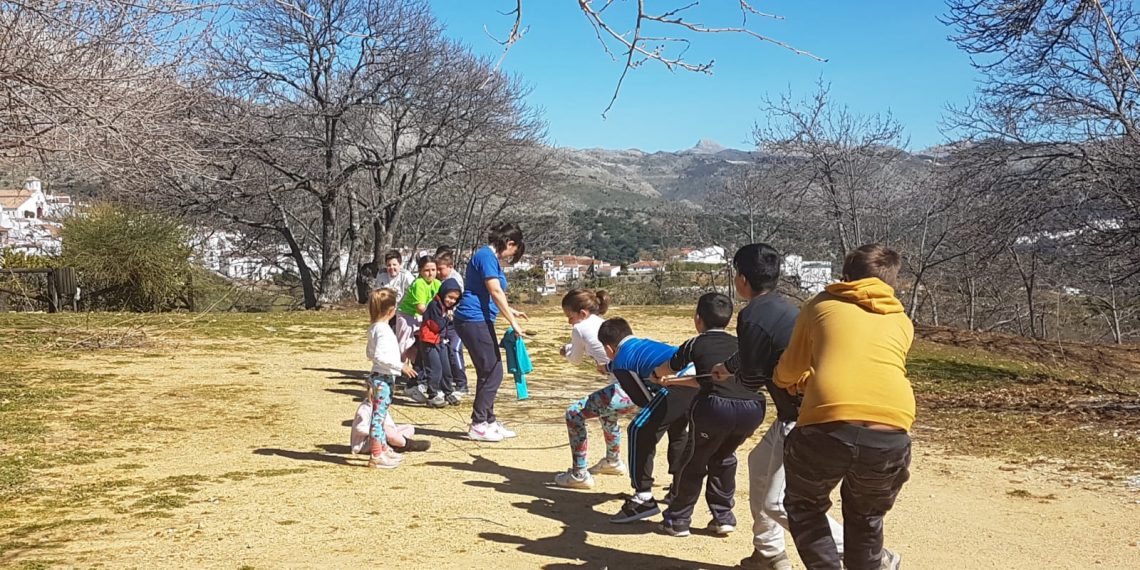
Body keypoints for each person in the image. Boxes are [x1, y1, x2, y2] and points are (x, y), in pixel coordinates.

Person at [775, 244, 913, 570]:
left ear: (846, 277)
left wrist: (790, 380)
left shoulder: (820, 304)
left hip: (828, 422)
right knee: (866, 515)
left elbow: (790, 370)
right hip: (892, 426)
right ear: (891, 281)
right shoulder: (902, 320)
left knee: (804, 506)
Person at [710, 244, 845, 570]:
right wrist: (728, 366)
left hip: (803, 417)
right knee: (758, 464)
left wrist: (727, 379)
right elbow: (756, 352)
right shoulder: (785, 309)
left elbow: (752, 380)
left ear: (742, 279)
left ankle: (869, 554)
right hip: (795, 411)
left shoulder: (751, 316)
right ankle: (768, 552)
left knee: (780, 503)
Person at [653, 292, 765, 538]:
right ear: (729, 319)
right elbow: (708, 379)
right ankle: (723, 517)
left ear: (698, 319)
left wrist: (658, 376)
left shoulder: (695, 344)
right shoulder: (741, 344)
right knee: (724, 456)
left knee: (694, 459)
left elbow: (666, 368)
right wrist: (677, 382)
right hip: (752, 408)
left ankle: (678, 519)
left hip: (715, 409)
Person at [599, 318, 691, 524]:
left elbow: (642, 399)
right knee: (678, 432)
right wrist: (607, 367)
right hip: (695, 379)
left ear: (609, 348)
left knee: (639, 429)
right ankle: (678, 489)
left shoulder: (621, 362)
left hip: (677, 385)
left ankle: (643, 497)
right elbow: (626, 361)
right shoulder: (642, 344)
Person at [551, 290, 636, 489]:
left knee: (574, 414)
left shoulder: (579, 328)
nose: (569, 322)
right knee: (607, 413)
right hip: (639, 387)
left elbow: (575, 359)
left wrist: (566, 350)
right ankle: (613, 461)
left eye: (570, 317)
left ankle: (579, 474)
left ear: (582, 313)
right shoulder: (601, 323)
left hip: (624, 389)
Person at [454, 222, 528, 442]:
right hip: (473, 319)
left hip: (479, 318)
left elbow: (489, 294)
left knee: (488, 371)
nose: (510, 257)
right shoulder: (486, 256)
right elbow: (494, 290)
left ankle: (489, 420)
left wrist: (511, 310)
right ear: (509, 243)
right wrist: (512, 322)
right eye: (513, 252)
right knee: (493, 371)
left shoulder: (489, 258)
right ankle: (478, 424)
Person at [364, 288, 407, 469]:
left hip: (383, 376)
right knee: (378, 417)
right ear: (391, 309)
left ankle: (383, 448)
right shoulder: (382, 330)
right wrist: (400, 366)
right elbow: (378, 356)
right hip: (382, 378)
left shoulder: (376, 328)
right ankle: (376, 454)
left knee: (381, 417)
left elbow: (369, 353)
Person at [399, 255, 440, 403]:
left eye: (433, 270)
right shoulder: (419, 284)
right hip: (407, 316)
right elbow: (421, 307)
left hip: (422, 318)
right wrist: (437, 318)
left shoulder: (437, 283)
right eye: (426, 270)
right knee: (403, 348)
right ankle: (390, 375)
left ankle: (415, 382)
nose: (430, 273)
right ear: (420, 271)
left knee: (420, 350)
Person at [417, 278, 463, 408]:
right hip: (429, 341)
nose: (451, 301)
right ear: (443, 293)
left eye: (455, 299)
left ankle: (448, 392)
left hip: (441, 341)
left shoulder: (447, 308)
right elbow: (436, 326)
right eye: (450, 297)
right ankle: (433, 394)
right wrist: (447, 318)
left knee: (446, 368)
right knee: (435, 368)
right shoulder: (434, 305)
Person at [435, 248, 468, 394]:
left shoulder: (455, 280)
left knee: (454, 349)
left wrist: (450, 308)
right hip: (444, 321)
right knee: (444, 349)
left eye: (440, 269)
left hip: (458, 321)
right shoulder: (438, 279)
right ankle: (447, 380)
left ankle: (462, 382)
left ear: (450, 267)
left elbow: (456, 300)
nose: (438, 272)